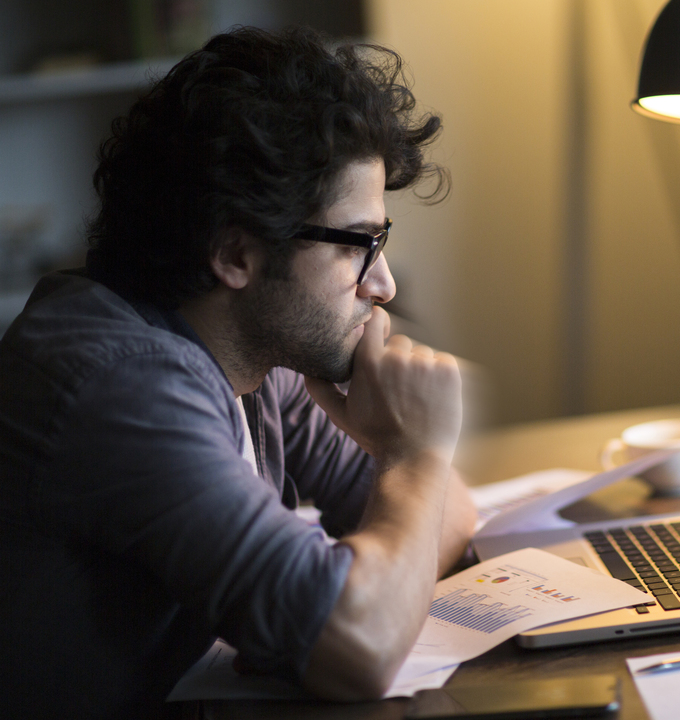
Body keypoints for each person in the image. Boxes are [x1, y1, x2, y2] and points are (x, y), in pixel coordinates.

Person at [0, 26, 476, 717]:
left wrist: (402, 494)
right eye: (359, 246)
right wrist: (414, 456)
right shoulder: (120, 385)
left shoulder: (253, 353)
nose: (385, 286)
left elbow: (451, 518)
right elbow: (360, 648)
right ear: (236, 254)